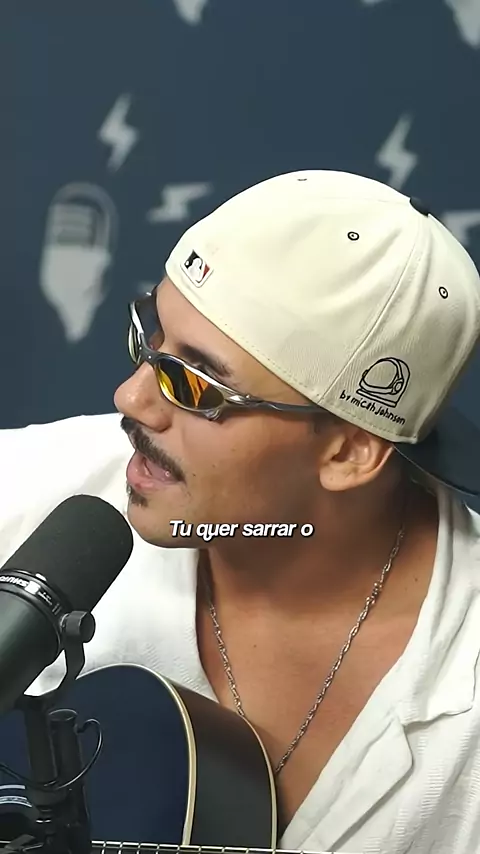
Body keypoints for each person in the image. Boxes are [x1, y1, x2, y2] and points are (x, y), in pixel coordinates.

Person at [2, 169, 480, 854]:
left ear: (349, 451)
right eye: (150, 338)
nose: (131, 398)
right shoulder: (38, 484)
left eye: (195, 384)